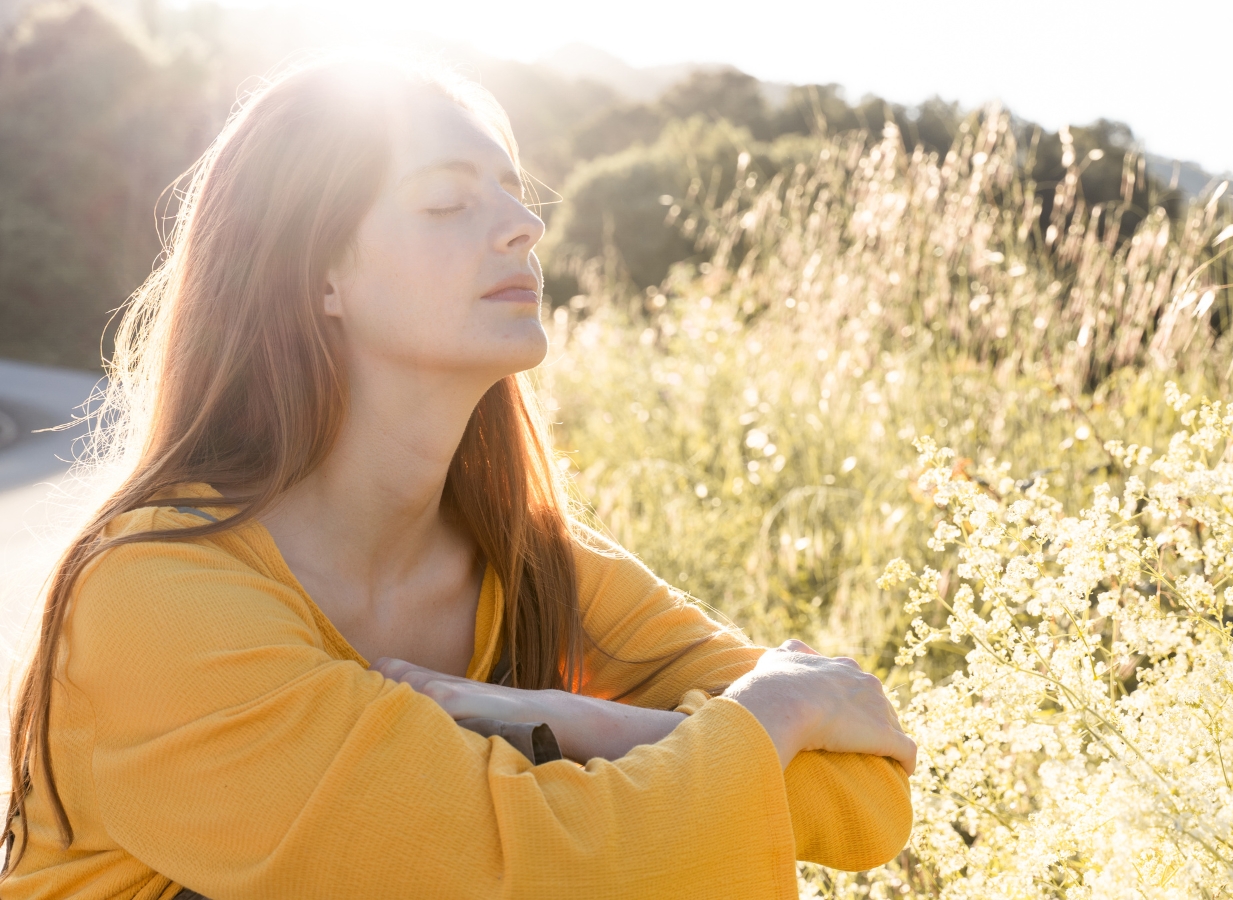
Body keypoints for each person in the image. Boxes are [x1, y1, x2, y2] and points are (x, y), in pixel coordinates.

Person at [2, 53, 914, 899]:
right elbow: (525, 870)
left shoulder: (532, 563)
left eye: (516, 197)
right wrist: (758, 724)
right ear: (314, 272)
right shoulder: (155, 598)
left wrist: (571, 720)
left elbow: (870, 799)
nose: (527, 227)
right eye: (448, 204)